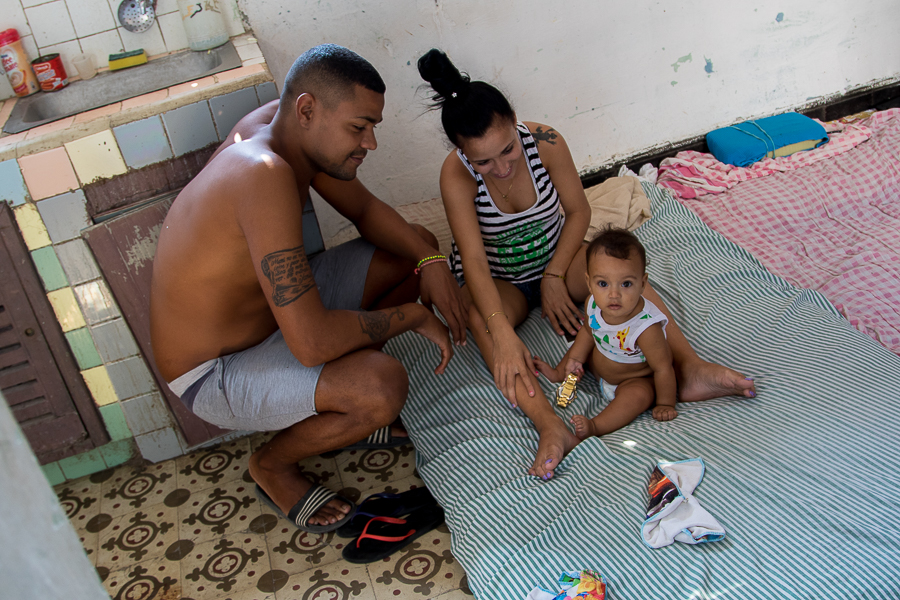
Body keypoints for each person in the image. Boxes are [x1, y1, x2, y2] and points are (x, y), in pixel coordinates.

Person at [149, 44, 467, 533]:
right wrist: (416, 316)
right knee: (382, 386)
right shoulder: (263, 174)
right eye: (359, 127)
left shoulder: (281, 129)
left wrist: (431, 260)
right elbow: (312, 342)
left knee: (414, 247)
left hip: (277, 319)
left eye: (373, 128)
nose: (371, 143)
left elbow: (365, 212)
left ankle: (342, 405)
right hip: (213, 371)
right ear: (307, 110)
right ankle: (273, 465)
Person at [417, 48, 756, 480]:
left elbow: (579, 213)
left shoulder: (546, 141)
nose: (501, 168)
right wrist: (501, 332)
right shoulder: (455, 174)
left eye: (507, 150)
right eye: (483, 161)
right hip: (500, 278)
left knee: (621, 277)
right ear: (462, 153)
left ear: (516, 122)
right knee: (482, 323)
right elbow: (477, 264)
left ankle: (688, 368)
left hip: (561, 258)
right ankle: (550, 424)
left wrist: (555, 275)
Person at [535, 228, 678, 438]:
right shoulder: (592, 304)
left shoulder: (646, 328)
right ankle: (559, 373)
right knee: (583, 346)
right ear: (589, 283)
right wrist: (575, 360)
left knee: (638, 396)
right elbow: (587, 332)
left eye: (626, 284)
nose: (614, 294)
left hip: (632, 379)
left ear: (643, 283)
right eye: (603, 284)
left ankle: (596, 426)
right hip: (600, 363)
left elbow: (663, 368)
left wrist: (665, 403)